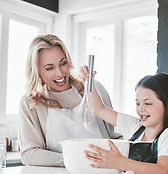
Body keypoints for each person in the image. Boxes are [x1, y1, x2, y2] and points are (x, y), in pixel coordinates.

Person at [19, 34, 120, 166]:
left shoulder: (93, 89)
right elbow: (29, 154)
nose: (60, 73)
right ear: (37, 71)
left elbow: (116, 136)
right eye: (50, 68)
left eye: (63, 63)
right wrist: (74, 160)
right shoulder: (31, 102)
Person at [80, 69, 168, 174]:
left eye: (147, 103)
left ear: (167, 106)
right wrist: (89, 82)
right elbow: (99, 109)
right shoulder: (134, 126)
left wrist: (120, 162)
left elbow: (161, 172)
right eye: (137, 103)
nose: (140, 109)